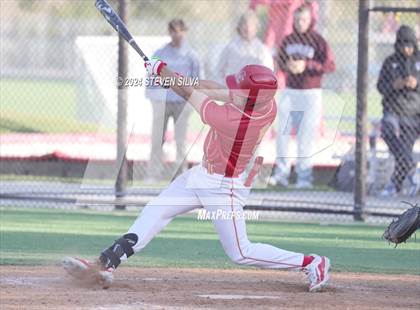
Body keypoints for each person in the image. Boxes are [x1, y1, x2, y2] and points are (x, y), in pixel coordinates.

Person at [62, 60, 330, 292]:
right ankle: (108, 262)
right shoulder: (264, 104)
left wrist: (163, 72)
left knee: (240, 252)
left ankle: (311, 262)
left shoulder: (232, 120)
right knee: (157, 210)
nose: (233, 90)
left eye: (239, 89)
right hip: (202, 175)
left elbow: (191, 93)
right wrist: (167, 74)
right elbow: (212, 88)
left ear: (249, 99)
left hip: (224, 188)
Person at [269, 4, 335, 189]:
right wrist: (287, 66)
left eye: (304, 19)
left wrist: (307, 66)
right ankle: (281, 174)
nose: (300, 23)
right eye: (297, 19)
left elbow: (330, 65)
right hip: (290, 92)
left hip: (311, 93)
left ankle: (304, 177)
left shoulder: (318, 41)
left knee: (305, 136)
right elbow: (280, 61)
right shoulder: (288, 40)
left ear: (310, 19)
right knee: (282, 133)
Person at [145, 18, 201, 182]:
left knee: (180, 141)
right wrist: (153, 96)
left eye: (180, 31)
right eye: (174, 31)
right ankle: (153, 174)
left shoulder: (191, 56)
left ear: (185, 32)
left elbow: (198, 79)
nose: (177, 35)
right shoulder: (161, 53)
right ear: (169, 33)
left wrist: (193, 100)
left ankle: (181, 175)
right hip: (162, 102)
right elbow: (151, 74)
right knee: (157, 139)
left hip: (182, 103)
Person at [377, 25, 420, 197]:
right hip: (393, 109)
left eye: (410, 45)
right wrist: (394, 86)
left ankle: (395, 185)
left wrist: (416, 84)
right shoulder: (390, 62)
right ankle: (410, 167)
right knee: (387, 130)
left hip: (414, 112)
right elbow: (380, 86)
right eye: (403, 45)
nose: (407, 49)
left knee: (406, 146)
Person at [216, 10, 273, 84]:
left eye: (251, 25)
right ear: (239, 27)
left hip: (255, 88)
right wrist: (226, 85)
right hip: (235, 88)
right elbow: (219, 70)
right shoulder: (231, 47)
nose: (247, 28)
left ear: (256, 28)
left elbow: (269, 72)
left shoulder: (262, 49)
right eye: (244, 24)